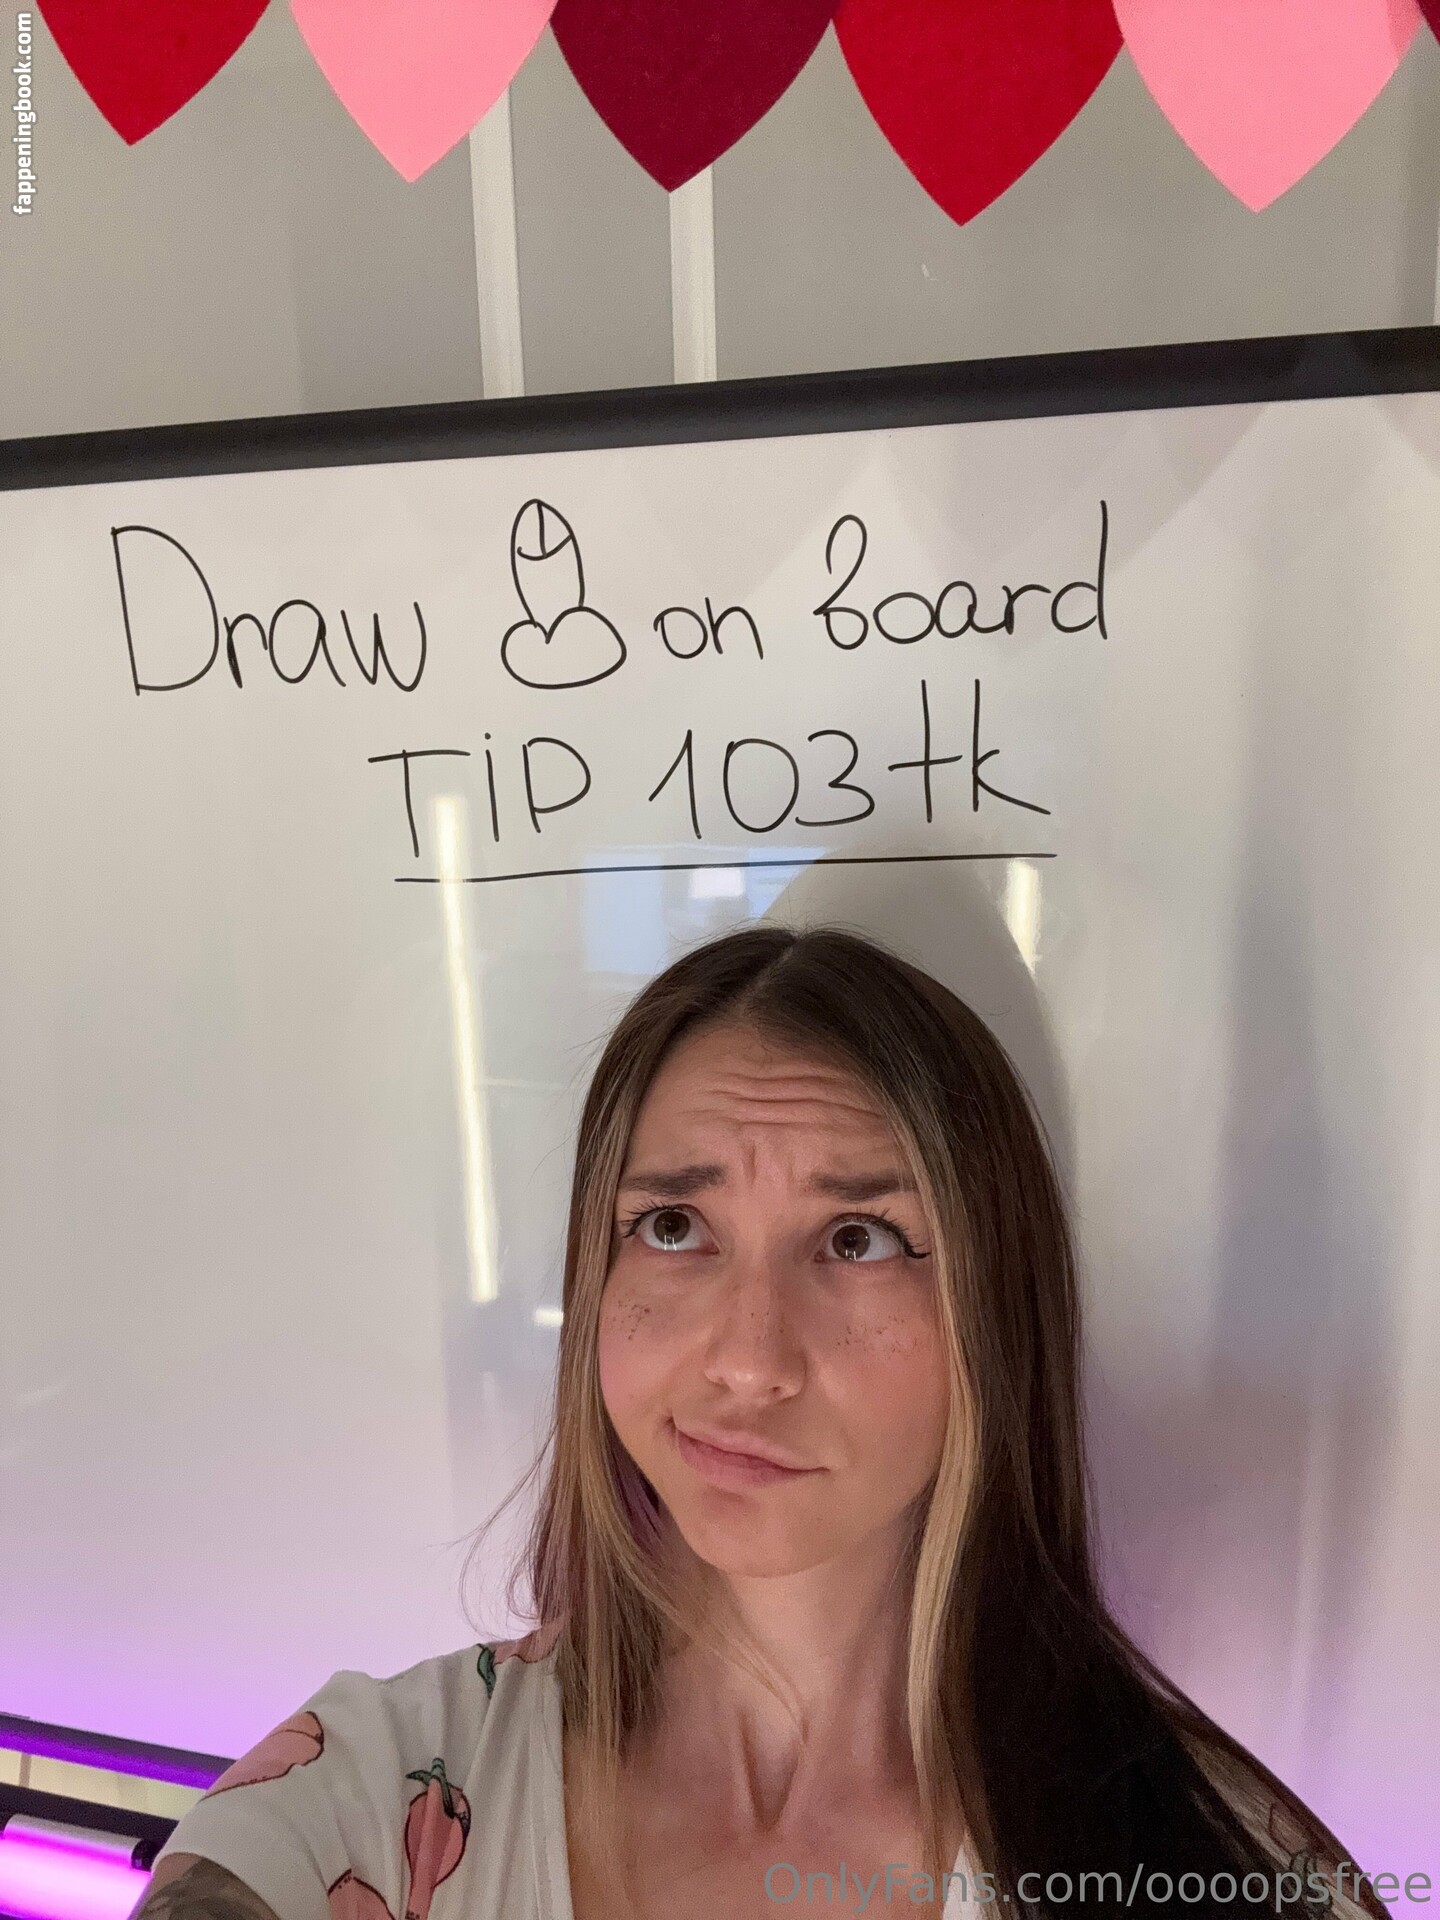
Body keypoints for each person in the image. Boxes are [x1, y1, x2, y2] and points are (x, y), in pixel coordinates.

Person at [134, 927, 1387, 1920]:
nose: (747, 1360)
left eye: (860, 1240)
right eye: (674, 1227)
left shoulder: (1224, 1869)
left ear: (994, 1317)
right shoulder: (365, 1796)